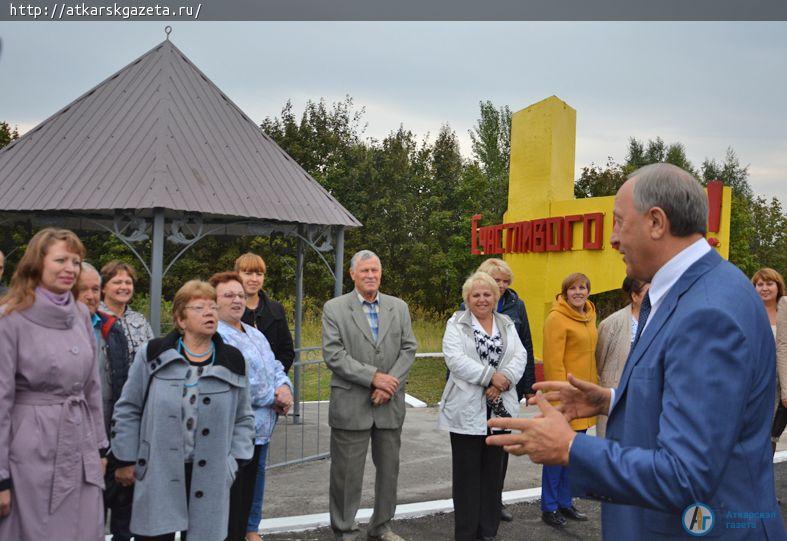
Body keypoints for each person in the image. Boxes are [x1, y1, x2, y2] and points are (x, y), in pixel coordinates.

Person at [487, 163, 785, 539]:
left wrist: (571, 448)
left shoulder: (709, 311)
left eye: (618, 222)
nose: (613, 239)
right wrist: (613, 400)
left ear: (657, 222)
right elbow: (699, 404)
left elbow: (685, 475)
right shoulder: (694, 290)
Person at [110, 280, 254, 541]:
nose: (209, 312)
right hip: (158, 472)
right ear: (181, 319)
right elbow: (128, 408)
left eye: (212, 306)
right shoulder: (153, 354)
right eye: (199, 307)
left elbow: (244, 418)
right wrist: (127, 458)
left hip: (211, 476)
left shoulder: (232, 360)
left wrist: (233, 463)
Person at [0, 228, 107, 541]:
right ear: (37, 263)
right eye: (61, 259)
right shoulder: (10, 318)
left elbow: (92, 387)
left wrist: (101, 446)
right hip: (31, 448)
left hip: (80, 441)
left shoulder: (80, 314)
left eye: (76, 261)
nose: (70, 268)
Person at [322, 250, 418, 541]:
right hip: (351, 404)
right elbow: (334, 354)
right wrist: (374, 378)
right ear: (352, 274)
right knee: (346, 476)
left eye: (375, 270)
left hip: (389, 404)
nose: (370, 276)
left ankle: (382, 526)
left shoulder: (398, 307)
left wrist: (389, 385)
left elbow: (408, 348)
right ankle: (345, 530)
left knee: (389, 472)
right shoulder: (335, 308)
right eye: (364, 271)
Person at [438, 271, 526, 541]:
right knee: (466, 480)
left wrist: (504, 380)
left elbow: (520, 355)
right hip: (466, 412)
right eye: (476, 295)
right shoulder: (457, 323)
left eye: (487, 294)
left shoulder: (507, 323)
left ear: (496, 297)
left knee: (492, 479)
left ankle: (488, 532)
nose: (482, 299)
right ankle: (466, 534)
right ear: (467, 298)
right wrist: (490, 377)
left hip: (500, 412)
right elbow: (455, 359)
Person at [210, 271, 293, 541]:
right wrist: (274, 398)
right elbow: (244, 382)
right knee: (233, 490)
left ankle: (250, 529)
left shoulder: (255, 334)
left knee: (255, 485)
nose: (237, 300)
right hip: (235, 431)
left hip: (263, 428)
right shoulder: (217, 338)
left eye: (241, 295)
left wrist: (285, 388)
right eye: (229, 295)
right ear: (214, 301)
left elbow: (275, 365)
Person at [76, 262, 134, 541]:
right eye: (82, 289)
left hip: (109, 444)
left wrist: (123, 452)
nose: (90, 295)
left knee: (121, 520)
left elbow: (124, 394)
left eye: (94, 289)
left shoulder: (112, 330)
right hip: (67, 446)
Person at [476, 258, 534, 523]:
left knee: (500, 449)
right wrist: (488, 381)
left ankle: (494, 501)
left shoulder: (516, 305)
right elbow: (463, 349)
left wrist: (525, 386)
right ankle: (474, 501)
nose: (501, 285)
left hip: (507, 390)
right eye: (496, 280)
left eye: (505, 281)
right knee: (475, 448)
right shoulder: (472, 302)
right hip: (477, 390)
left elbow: (525, 347)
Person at [538, 272, 596, 528]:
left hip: (585, 399)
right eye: (573, 288)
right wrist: (562, 399)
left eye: (582, 288)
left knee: (574, 455)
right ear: (565, 292)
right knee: (556, 453)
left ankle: (565, 501)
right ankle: (549, 507)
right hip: (566, 400)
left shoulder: (590, 316)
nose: (578, 292)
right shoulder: (556, 319)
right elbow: (553, 363)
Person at [594, 277, 649, 437]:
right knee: (611, 442)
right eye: (648, 292)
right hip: (614, 392)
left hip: (644, 395)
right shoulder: (611, 324)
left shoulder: (657, 320)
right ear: (635, 296)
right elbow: (599, 360)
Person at [236, 253, 295, 374]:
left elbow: (287, 350)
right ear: (237, 275)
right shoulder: (227, 311)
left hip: (272, 384)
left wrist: (274, 376)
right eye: (248, 273)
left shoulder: (276, 309)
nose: (254, 279)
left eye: (259, 274)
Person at [753, 268, 787, 453]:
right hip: (755, 381)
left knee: (772, 433)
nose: (764, 288)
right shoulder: (749, 311)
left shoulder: (786, 310)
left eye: (769, 283)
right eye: (759, 284)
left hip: (780, 382)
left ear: (778, 286)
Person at [99, 260, 155, 358]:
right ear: (103, 288)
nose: (124, 287)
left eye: (128, 282)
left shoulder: (140, 320)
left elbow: (152, 355)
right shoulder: (95, 318)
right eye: (117, 282)